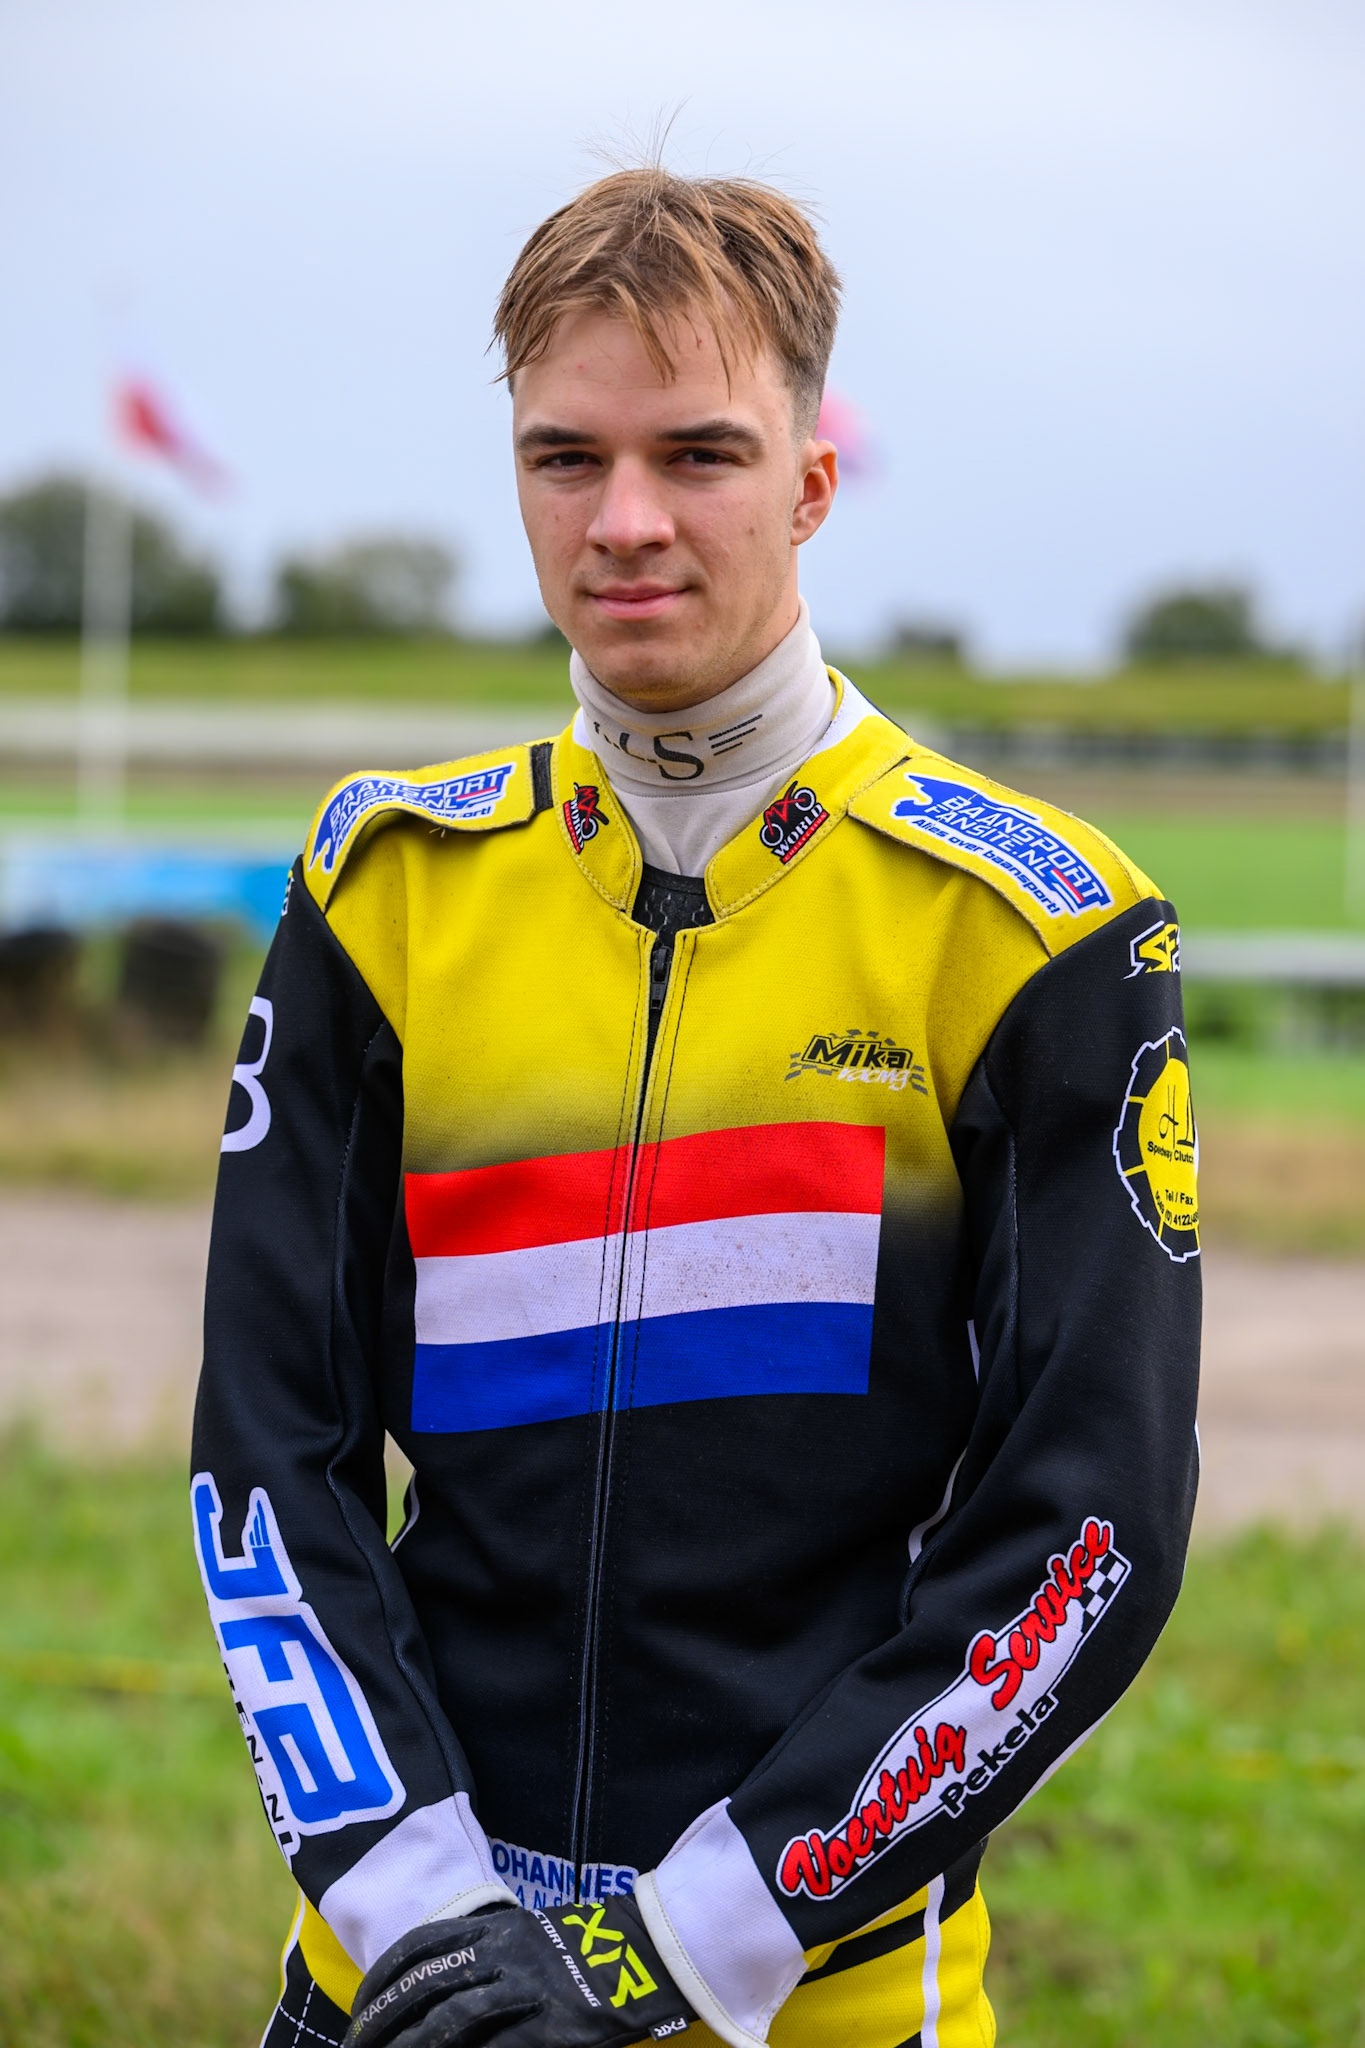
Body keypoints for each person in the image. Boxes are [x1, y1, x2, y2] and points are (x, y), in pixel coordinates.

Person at [193, 168, 1201, 2048]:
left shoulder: (1033, 932)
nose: (625, 521)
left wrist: (689, 1946)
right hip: (412, 1983)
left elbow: (1087, 1529)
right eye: (564, 456)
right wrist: (424, 1906)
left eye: (701, 455)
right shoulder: (380, 889)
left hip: (805, 1994)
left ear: (812, 483)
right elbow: (267, 1455)